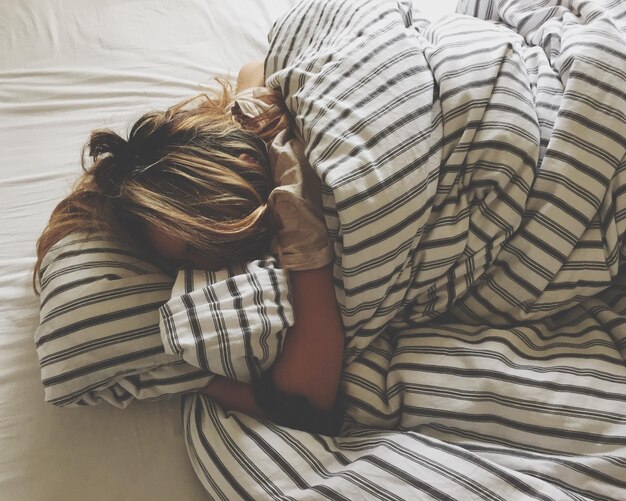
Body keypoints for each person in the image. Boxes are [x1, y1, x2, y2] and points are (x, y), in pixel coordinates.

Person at [33, 60, 345, 434]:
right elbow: (253, 69)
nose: (208, 265)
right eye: (183, 261)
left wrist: (208, 382)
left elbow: (309, 398)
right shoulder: (253, 137)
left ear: (239, 169)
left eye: (202, 241)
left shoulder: (288, 188)